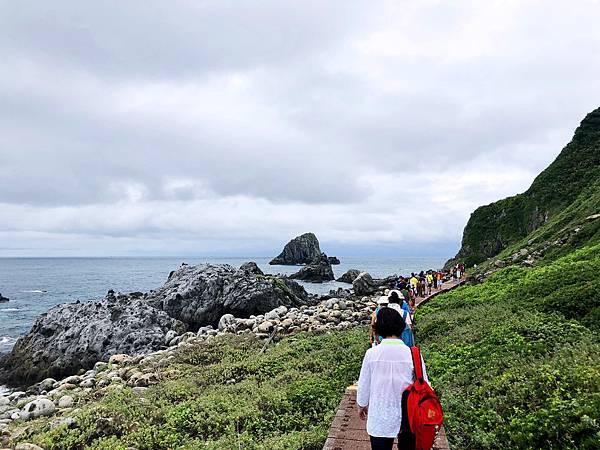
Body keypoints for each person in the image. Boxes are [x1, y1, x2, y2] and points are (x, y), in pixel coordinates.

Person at [357, 308, 429, 450]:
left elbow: (364, 384)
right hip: (409, 417)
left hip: (380, 415)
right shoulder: (413, 354)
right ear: (400, 326)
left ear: (379, 329)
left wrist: (362, 404)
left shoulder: (371, 354)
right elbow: (424, 384)